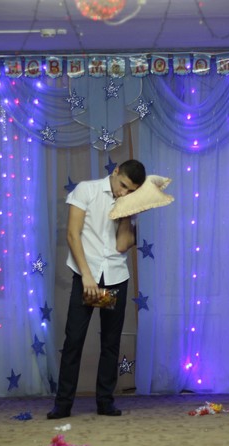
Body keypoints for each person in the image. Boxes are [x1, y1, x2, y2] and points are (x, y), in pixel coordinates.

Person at [47, 159, 147, 419]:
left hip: (115, 277)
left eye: (130, 190)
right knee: (74, 340)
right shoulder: (86, 190)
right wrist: (87, 277)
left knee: (110, 343)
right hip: (87, 278)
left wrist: (127, 211)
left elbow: (122, 246)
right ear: (116, 172)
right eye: (123, 185)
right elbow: (72, 235)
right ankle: (63, 404)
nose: (123, 192)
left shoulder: (130, 203)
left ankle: (105, 401)